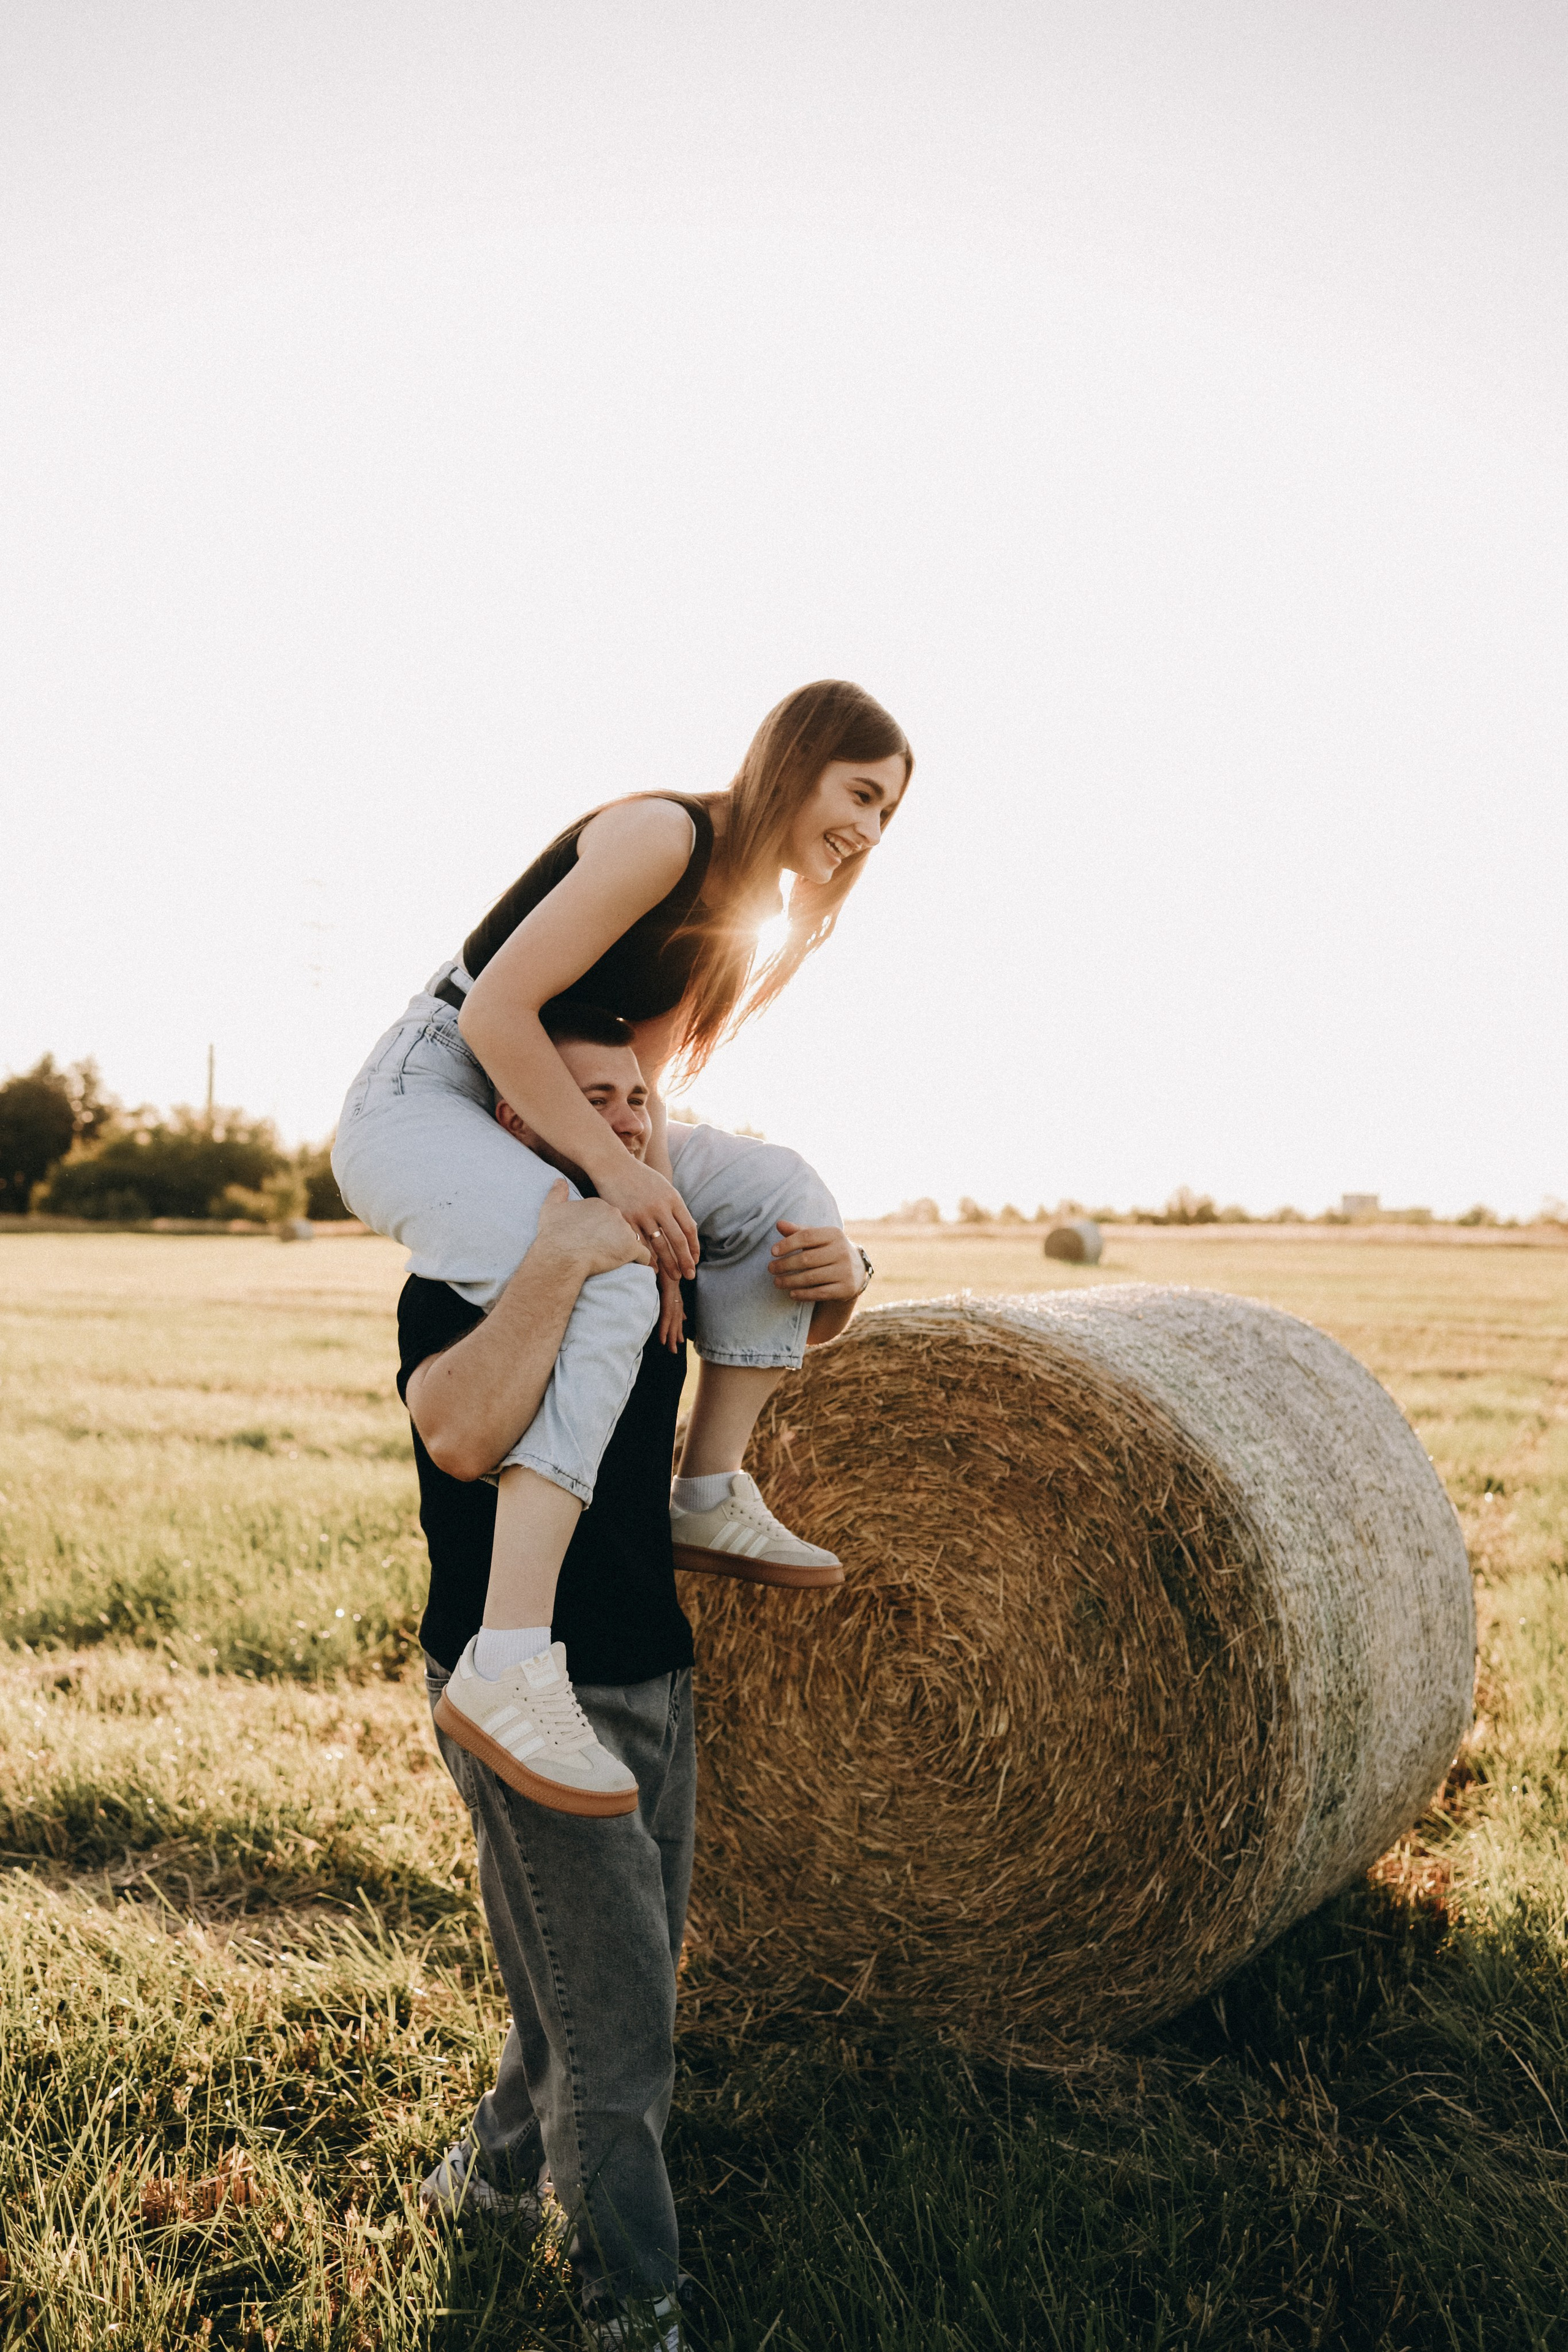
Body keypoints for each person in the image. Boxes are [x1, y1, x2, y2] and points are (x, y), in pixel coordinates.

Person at [334, 679, 909, 1814]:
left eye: (889, 814)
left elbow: (630, 1093)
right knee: (607, 1258)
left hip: (555, 1091)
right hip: (435, 1084)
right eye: (860, 792)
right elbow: (498, 1014)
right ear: (797, 761)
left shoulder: (739, 921)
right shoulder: (666, 835)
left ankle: (708, 1485)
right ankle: (507, 1660)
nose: (869, 829)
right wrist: (619, 1185)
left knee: (779, 1188)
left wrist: (651, 1183)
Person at [403, 1004, 870, 2349]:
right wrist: (567, 1251)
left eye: (638, 1103)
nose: (620, 1121)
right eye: (587, 1098)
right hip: (525, 1687)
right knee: (621, 2029)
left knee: (607, 1971)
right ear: (517, 1128)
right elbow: (456, 1431)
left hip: (653, 1669)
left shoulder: (661, 1267)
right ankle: (632, 2304)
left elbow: (777, 1310)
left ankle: (488, 2182)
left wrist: (842, 1275)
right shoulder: (467, 1270)